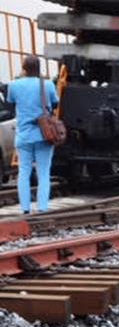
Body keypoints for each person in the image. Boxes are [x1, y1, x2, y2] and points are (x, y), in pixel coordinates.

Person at [7, 56, 59, 214]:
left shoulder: (14, 85)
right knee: (43, 172)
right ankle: (42, 207)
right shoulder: (47, 84)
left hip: (23, 135)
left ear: (24, 68)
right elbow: (55, 104)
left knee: (24, 171)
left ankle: (25, 208)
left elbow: (11, 104)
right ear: (38, 68)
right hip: (45, 134)